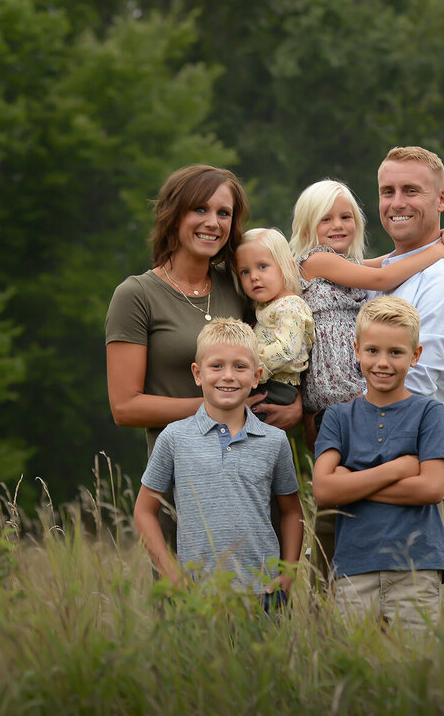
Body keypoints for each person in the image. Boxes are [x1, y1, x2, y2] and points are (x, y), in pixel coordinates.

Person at [106, 164, 301, 544]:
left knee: (265, 599)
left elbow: (297, 319)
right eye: (200, 209)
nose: (213, 222)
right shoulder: (136, 296)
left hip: (255, 487)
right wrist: (216, 408)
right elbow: (125, 407)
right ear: (173, 214)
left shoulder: (242, 282)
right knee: (187, 600)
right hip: (184, 484)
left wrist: (298, 406)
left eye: (223, 213)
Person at [288, 178, 444, 580]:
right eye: (325, 219)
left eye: (346, 216)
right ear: (306, 228)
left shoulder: (346, 265)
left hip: (356, 394)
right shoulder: (314, 260)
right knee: (335, 492)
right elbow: (386, 279)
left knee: (355, 485)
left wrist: (439, 237)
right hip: (335, 395)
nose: (338, 225)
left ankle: (374, 483)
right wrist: (439, 250)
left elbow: (386, 263)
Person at [133, 318, 303, 602]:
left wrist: (288, 573)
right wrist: (170, 571)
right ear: (197, 374)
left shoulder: (274, 441)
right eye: (216, 366)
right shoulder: (174, 438)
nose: (228, 376)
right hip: (197, 597)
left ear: (256, 376)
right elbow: (143, 511)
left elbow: (291, 511)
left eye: (240, 367)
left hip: (262, 593)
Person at [311, 297, 444, 634]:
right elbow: (324, 490)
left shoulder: (429, 414)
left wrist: (352, 485)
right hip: (354, 566)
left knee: (412, 673)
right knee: (357, 672)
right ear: (356, 350)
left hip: (417, 567)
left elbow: (431, 489)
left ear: (415, 356)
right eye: (372, 351)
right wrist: (399, 469)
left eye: (396, 352)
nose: (382, 363)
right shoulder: (338, 417)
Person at [375, 147, 444, 524]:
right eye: (388, 191)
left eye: (411, 191)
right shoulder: (380, 275)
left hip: (414, 491)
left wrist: (326, 415)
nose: (396, 203)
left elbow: (411, 387)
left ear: (442, 199)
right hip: (358, 480)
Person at [234, 227, 315, 407]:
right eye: (245, 272)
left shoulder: (291, 306)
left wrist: (247, 369)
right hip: (263, 381)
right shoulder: (265, 307)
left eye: (262, 266)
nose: (254, 277)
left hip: (277, 387)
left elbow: (286, 350)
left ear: (287, 266)